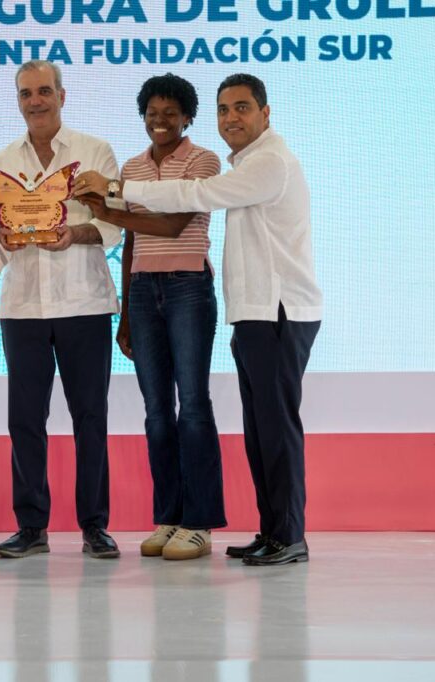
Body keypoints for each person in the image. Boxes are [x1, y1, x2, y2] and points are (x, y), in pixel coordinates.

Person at [75, 73, 322, 566]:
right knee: (260, 429)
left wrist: (116, 192)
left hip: (278, 310)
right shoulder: (247, 163)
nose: (231, 118)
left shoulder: (268, 162)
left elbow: (191, 200)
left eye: (242, 108)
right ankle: (273, 532)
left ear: (266, 113)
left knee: (273, 428)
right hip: (253, 313)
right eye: (224, 109)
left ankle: (288, 535)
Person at [77, 74, 226, 561]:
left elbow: (174, 223)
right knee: (157, 411)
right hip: (143, 292)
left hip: (188, 287)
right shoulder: (133, 166)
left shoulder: (203, 161)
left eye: (170, 114)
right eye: (151, 113)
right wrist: (125, 312)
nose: (159, 122)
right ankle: (170, 517)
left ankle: (199, 523)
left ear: (188, 118)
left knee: (193, 405)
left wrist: (109, 211)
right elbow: (133, 242)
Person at [0, 60, 123, 560]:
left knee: (90, 417)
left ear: (63, 95)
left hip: (84, 303)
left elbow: (114, 223)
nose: (35, 101)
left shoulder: (94, 152)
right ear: (18, 101)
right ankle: (31, 527)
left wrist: (74, 233)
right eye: (26, 94)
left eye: (44, 91)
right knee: (24, 420)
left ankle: (95, 526)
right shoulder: (2, 161)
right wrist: (1, 236)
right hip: (22, 308)